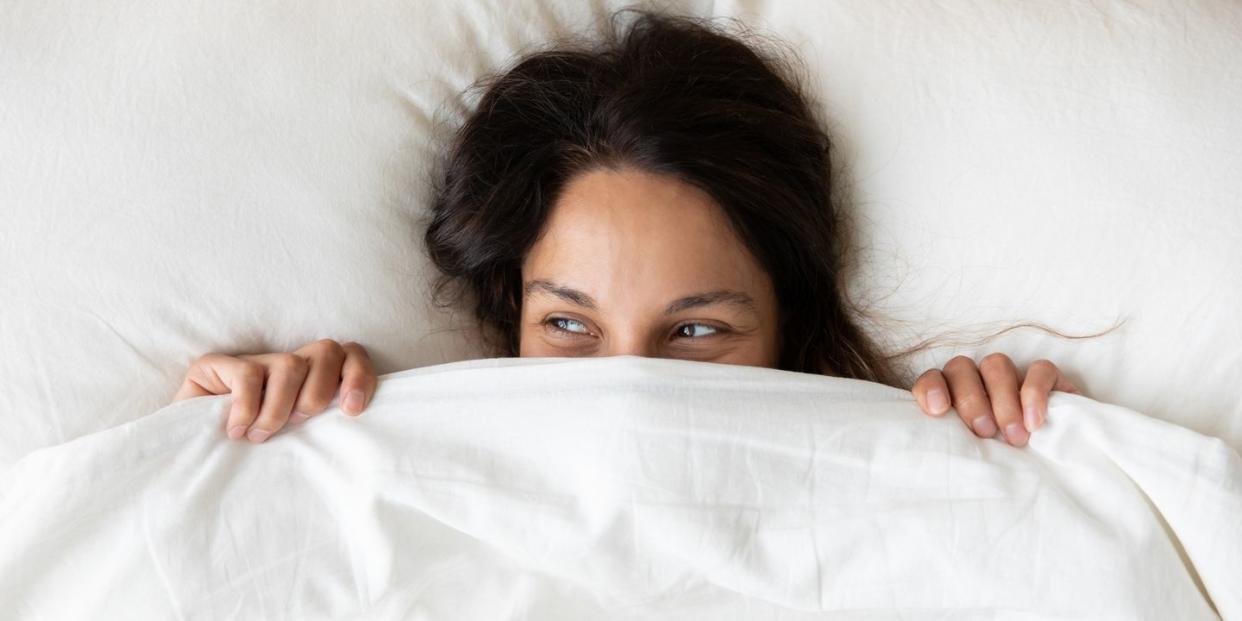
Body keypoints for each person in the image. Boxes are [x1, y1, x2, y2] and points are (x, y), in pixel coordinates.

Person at [173, 10, 1090, 447]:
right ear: (511, 319)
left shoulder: (900, 469)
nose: (628, 385)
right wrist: (229, 447)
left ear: (788, 328)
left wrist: (1003, 448)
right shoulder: (389, 460)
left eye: (696, 330)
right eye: (568, 324)